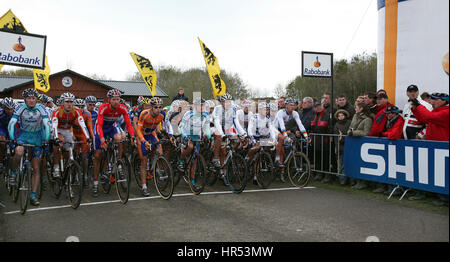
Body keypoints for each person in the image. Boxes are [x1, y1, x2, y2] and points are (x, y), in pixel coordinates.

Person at [8, 88, 51, 206]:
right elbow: (12, 123)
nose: (31, 101)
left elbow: (47, 124)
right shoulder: (20, 107)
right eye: (29, 98)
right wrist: (12, 137)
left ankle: (33, 195)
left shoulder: (41, 108)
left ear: (36, 99)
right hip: (24, 136)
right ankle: (13, 172)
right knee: (19, 152)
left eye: (33, 98)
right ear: (25, 99)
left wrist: (46, 139)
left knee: (36, 168)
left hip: (37, 137)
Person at [92, 89, 136, 197]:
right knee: (97, 155)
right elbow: (99, 125)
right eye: (114, 99)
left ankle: (118, 161)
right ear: (109, 100)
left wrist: (133, 136)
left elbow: (128, 124)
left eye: (118, 99)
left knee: (120, 138)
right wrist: (102, 140)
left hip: (111, 127)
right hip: (101, 128)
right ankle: (95, 183)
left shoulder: (122, 108)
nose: (116, 101)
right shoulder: (103, 107)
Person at [136, 97, 174, 196]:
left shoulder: (162, 114)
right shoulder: (144, 114)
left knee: (160, 150)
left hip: (151, 134)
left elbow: (167, 125)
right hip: (142, 135)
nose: (158, 109)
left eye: (160, 107)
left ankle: (155, 167)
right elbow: (138, 130)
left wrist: (170, 136)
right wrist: (144, 141)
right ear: (152, 107)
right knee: (144, 160)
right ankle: (144, 186)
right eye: (156, 107)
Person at [51, 93, 90, 180]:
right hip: (57, 129)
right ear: (62, 103)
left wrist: (87, 137)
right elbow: (54, 125)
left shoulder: (76, 110)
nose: (69, 104)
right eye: (67, 102)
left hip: (68, 130)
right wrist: (56, 137)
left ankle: (67, 165)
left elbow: (82, 124)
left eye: (71, 102)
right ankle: (56, 166)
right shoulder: (57, 111)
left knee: (70, 149)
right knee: (58, 145)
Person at [212, 93, 247, 182]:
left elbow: (236, 123)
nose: (228, 103)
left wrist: (243, 133)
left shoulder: (233, 109)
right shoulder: (217, 109)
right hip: (215, 127)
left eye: (229, 101)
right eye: (226, 102)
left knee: (236, 140)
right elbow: (217, 123)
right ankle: (215, 157)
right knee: (219, 137)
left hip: (227, 129)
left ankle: (224, 170)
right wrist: (222, 135)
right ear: (222, 103)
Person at [273, 98, 310, 181]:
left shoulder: (295, 113)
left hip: (285, 130)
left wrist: (306, 136)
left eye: (294, 105)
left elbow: (300, 125)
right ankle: (277, 159)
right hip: (275, 129)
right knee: (282, 141)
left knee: (291, 144)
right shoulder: (280, 112)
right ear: (286, 106)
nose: (293, 107)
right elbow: (282, 125)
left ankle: (283, 170)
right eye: (290, 105)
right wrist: (286, 137)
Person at [177, 98, 211, 178]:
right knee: (190, 146)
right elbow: (181, 126)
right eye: (200, 105)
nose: (202, 107)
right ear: (195, 106)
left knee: (195, 159)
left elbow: (206, 128)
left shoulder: (206, 115)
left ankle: (192, 180)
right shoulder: (189, 113)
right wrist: (184, 135)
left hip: (197, 137)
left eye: (203, 105)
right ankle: (181, 160)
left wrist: (208, 135)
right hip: (187, 134)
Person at [247, 102, 277, 184]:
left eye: (267, 109)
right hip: (253, 137)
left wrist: (274, 139)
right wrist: (253, 139)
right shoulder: (254, 117)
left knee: (271, 144)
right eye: (265, 109)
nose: (266, 111)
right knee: (257, 147)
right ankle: (248, 158)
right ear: (260, 110)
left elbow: (271, 129)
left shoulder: (268, 118)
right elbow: (249, 129)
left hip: (262, 138)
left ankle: (256, 174)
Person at [347, 102, 373, 190]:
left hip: (363, 144)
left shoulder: (368, 119)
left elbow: (366, 132)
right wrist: (350, 132)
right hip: (354, 143)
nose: (355, 108)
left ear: (361, 108)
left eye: (356, 107)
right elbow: (351, 127)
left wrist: (353, 133)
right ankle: (358, 181)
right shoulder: (355, 116)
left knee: (363, 163)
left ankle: (363, 182)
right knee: (356, 162)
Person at [310, 100, 332, 183]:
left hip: (325, 141)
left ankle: (327, 175)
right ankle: (319, 173)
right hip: (315, 141)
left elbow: (331, 128)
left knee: (326, 159)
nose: (318, 108)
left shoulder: (327, 116)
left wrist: (327, 137)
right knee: (317, 158)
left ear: (322, 106)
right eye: (316, 106)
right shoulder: (313, 116)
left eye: (319, 106)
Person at [333, 109, 351, 185]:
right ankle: (342, 180)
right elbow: (336, 138)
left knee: (349, 163)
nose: (340, 117)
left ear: (345, 116)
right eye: (339, 116)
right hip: (341, 146)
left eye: (342, 115)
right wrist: (337, 147)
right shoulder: (336, 125)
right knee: (341, 163)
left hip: (349, 145)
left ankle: (351, 180)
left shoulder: (349, 123)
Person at [0, 97, 17, 173]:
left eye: (11, 109)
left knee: (14, 145)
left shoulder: (16, 113)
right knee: (2, 142)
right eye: (7, 109)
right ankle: (0, 160)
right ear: (3, 108)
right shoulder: (0, 113)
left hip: (12, 129)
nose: (10, 111)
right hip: (2, 129)